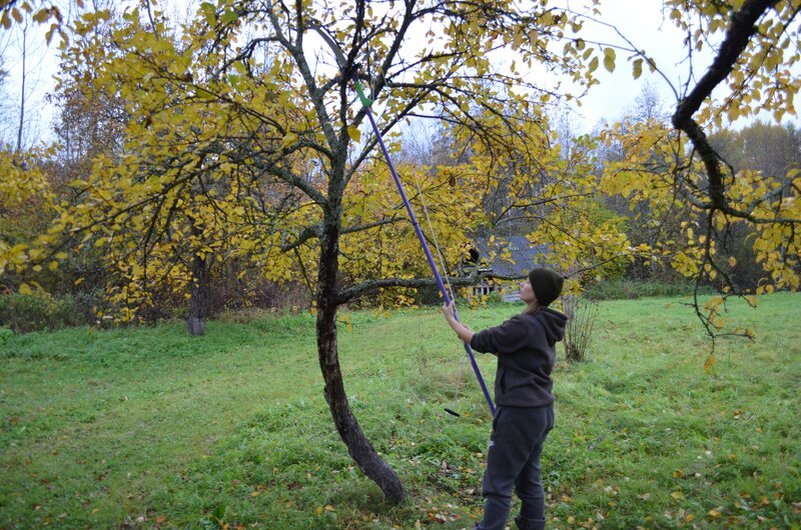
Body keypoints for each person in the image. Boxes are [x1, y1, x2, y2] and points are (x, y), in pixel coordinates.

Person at [443, 268, 567, 530]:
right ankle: (533, 525)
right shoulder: (544, 323)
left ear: (537, 291)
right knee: (528, 477)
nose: (522, 284)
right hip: (541, 411)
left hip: (519, 413)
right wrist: (463, 328)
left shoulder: (524, 324)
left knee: (498, 482)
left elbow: (481, 341)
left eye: (528, 282)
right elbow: (492, 340)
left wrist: (451, 321)